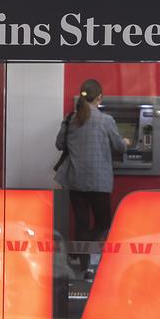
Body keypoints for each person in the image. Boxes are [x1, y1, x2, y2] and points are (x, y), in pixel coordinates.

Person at [54, 79, 130, 275]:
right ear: (100, 97)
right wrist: (126, 141)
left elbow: (59, 144)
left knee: (81, 221)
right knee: (103, 222)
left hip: (76, 179)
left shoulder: (71, 118)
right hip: (99, 181)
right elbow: (119, 147)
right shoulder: (106, 120)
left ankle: (83, 263)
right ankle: (85, 251)